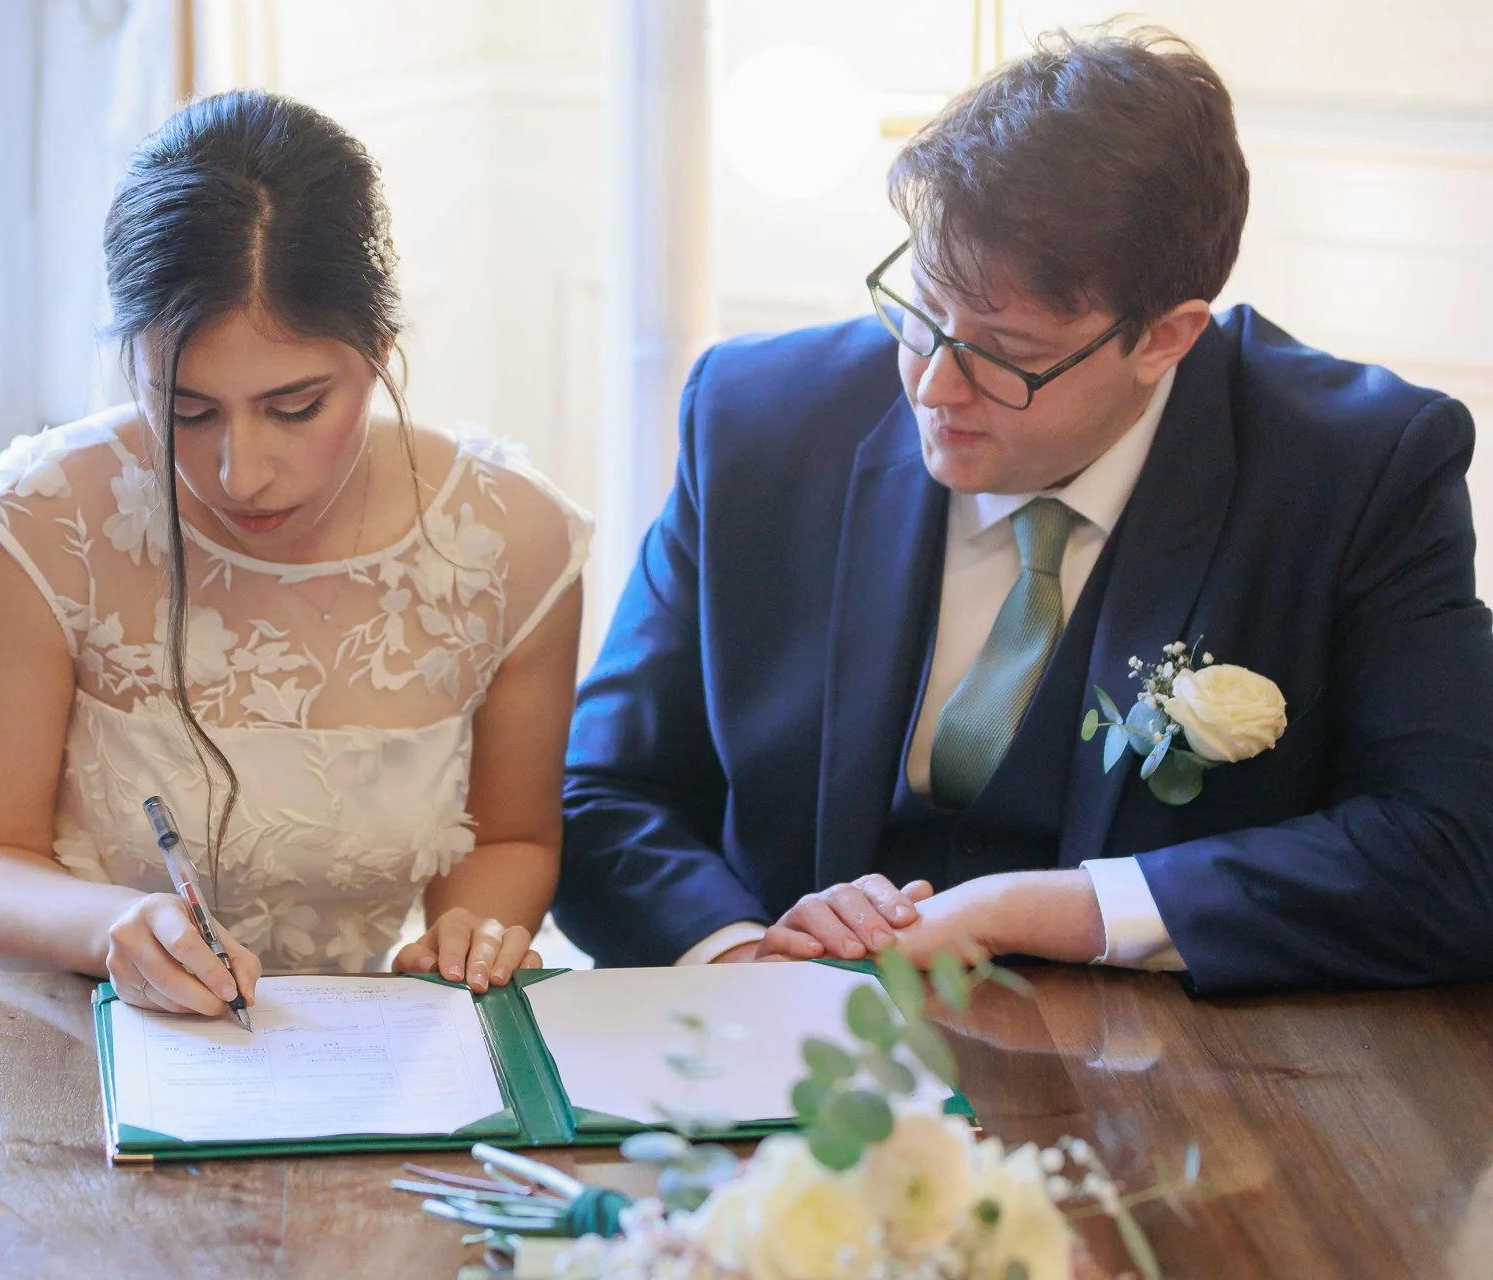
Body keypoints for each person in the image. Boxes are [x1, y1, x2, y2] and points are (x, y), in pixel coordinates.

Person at [556, 27, 1493, 993]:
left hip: (1177, 1074)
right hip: (794, 1059)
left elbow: (1456, 851)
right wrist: (747, 959)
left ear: (1165, 339)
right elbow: (601, 793)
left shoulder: (1356, 469)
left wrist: (1051, 908)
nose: (933, 388)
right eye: (922, 309)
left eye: (1005, 351)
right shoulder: (758, 420)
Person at [0, 90, 590, 1018]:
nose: (240, 473)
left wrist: (465, 933)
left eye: (295, 406)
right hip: (49, 1018)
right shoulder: (41, 522)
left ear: (380, 351)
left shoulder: (512, 542)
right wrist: (110, 927)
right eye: (186, 411)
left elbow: (512, 839)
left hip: (343, 1055)